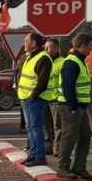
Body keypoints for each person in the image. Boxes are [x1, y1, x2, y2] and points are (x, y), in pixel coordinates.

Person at [58, 33, 92, 180]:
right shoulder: (72, 62)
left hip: (79, 107)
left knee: (85, 136)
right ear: (83, 45)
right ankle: (63, 168)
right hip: (70, 107)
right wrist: (74, 106)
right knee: (69, 138)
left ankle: (79, 167)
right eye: (91, 46)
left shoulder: (80, 61)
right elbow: (67, 86)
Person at [16, 32, 53, 166]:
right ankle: (32, 155)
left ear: (33, 44)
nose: (23, 44)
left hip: (36, 98)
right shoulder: (27, 57)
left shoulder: (43, 58)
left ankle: (39, 156)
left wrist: (34, 95)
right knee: (30, 127)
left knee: (36, 127)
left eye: (26, 41)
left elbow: (43, 81)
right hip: (25, 97)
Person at [43, 38, 63, 156]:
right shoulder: (43, 61)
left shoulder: (62, 62)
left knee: (57, 125)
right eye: (45, 47)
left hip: (56, 98)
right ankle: (48, 145)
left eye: (49, 47)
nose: (46, 50)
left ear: (56, 48)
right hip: (44, 97)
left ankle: (57, 147)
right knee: (45, 124)